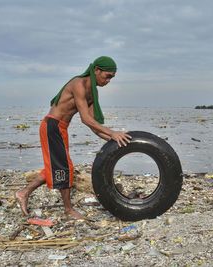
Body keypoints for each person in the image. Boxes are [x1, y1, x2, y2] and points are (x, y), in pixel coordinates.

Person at [15, 56, 131, 219]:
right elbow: (85, 118)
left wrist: (113, 140)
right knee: (64, 167)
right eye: (107, 76)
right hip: (52, 126)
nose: (109, 81)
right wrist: (112, 132)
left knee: (57, 166)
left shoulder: (92, 92)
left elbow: (92, 124)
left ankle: (23, 192)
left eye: (112, 78)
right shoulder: (79, 84)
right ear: (97, 70)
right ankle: (68, 209)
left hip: (61, 128)